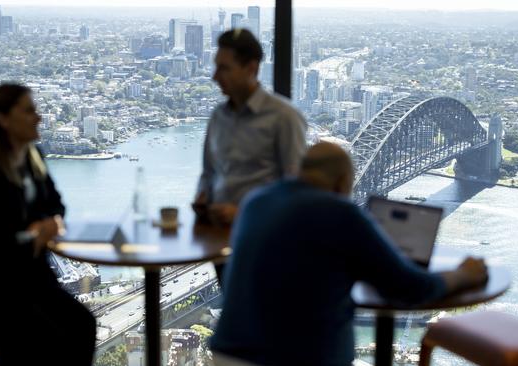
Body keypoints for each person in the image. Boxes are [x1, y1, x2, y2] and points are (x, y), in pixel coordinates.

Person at [210, 142, 489, 366]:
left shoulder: (256, 200)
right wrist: (462, 275)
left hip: (227, 351)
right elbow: (410, 288)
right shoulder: (341, 214)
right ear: (343, 182)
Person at [0, 84, 96, 366]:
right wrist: (34, 234)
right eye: (29, 111)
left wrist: (52, 221)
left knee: (83, 324)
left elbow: (56, 204)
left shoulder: (33, 159)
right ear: (2, 119)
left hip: (30, 285)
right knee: (44, 341)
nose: (38, 117)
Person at [193, 28, 307, 225]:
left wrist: (242, 213)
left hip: (261, 236)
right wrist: (202, 198)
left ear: (251, 69)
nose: (215, 77)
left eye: (224, 68)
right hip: (215, 232)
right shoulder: (218, 116)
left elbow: (296, 190)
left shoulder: (284, 117)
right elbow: (209, 173)